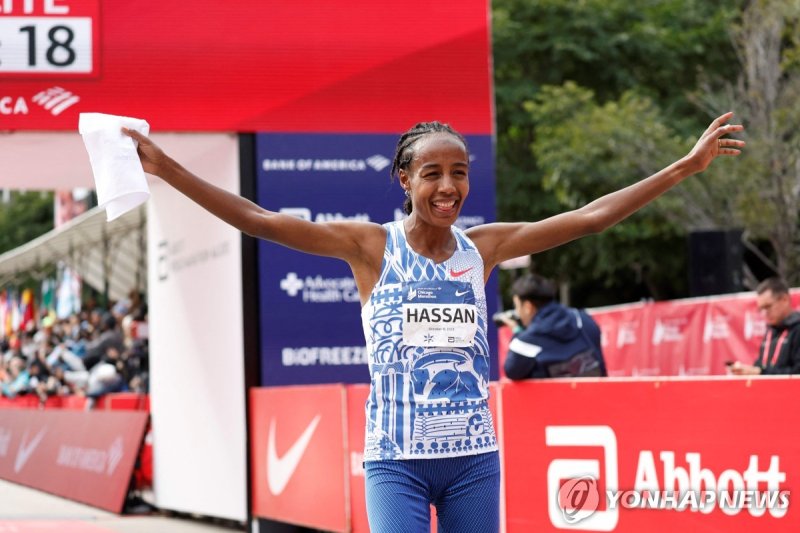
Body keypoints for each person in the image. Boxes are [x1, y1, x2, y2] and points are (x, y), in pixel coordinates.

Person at [124, 112, 743, 532]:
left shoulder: (485, 248)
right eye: (432, 174)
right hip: (396, 459)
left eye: (459, 173)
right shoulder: (370, 247)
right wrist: (165, 167)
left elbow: (588, 218)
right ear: (405, 179)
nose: (448, 187)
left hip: (475, 458)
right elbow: (259, 219)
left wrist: (683, 168)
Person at [501, 273, 606, 379]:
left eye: (517, 306)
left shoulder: (527, 340)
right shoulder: (583, 318)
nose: (517, 312)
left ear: (528, 307)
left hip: (556, 396)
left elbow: (512, 371)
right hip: (601, 394)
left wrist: (517, 332)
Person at [730, 277, 800, 375]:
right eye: (761, 309)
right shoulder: (771, 330)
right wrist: (749, 370)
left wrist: (760, 372)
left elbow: (797, 373)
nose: (764, 313)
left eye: (768, 306)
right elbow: (762, 365)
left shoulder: (797, 329)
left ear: (784, 299)